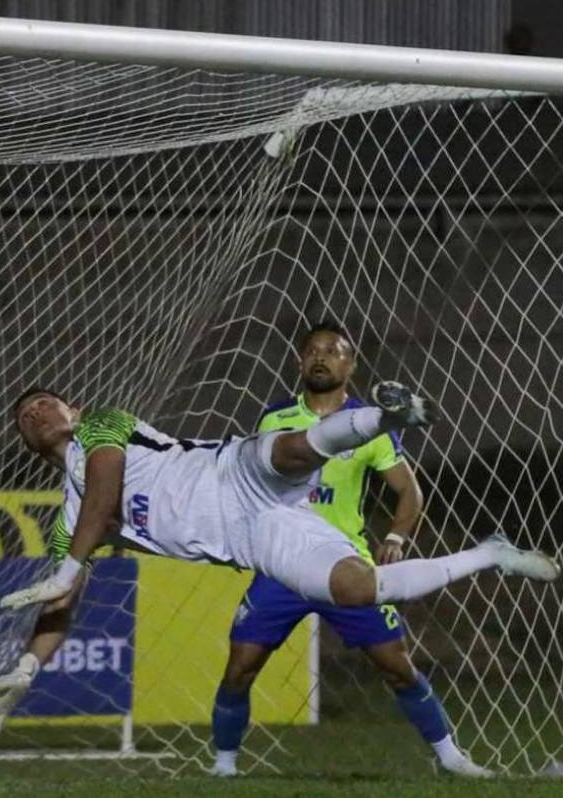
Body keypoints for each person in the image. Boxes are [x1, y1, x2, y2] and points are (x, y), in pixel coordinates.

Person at [0, 379, 560, 736]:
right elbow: (61, 603)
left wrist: (71, 566)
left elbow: (103, 494)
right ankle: (489, 553)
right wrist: (28, 667)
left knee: (290, 451)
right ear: (26, 444)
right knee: (358, 589)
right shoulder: (67, 525)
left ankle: (387, 417)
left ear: (73, 410)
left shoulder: (100, 428)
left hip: (233, 473)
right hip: (255, 539)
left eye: (45, 403)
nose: (36, 413)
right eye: (25, 418)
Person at [207, 321, 486, 777]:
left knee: (397, 667)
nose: (321, 357)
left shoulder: (369, 424)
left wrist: (395, 538)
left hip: (346, 569)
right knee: (240, 667)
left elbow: (409, 492)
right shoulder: (275, 419)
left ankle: (451, 758)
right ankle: (224, 767)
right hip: (281, 567)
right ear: (300, 361)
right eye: (312, 350)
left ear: (350, 364)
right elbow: (252, 487)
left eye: (333, 351)